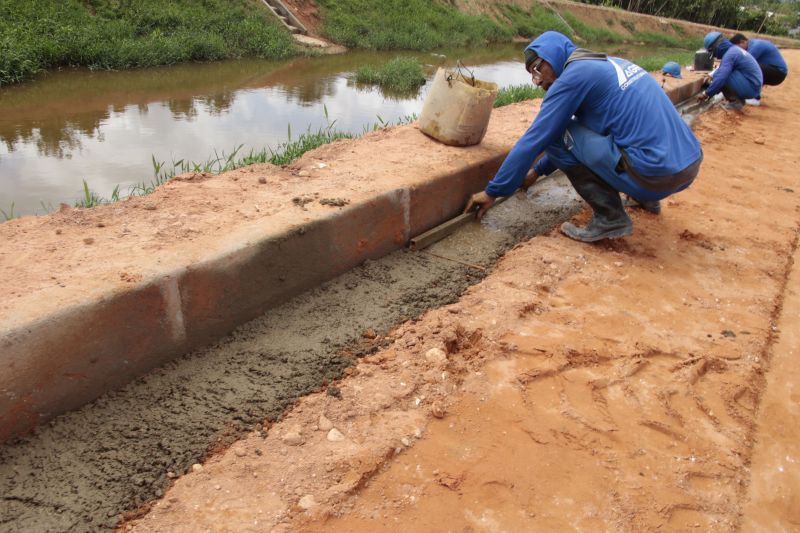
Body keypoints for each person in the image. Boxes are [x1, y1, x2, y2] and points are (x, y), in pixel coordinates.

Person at [464, 31, 703, 243]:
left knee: (554, 135)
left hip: (654, 175)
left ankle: (610, 217)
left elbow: (536, 138)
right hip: (686, 167)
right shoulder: (607, 64)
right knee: (606, 133)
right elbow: (583, 135)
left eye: (538, 68)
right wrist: (538, 171)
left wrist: (493, 191)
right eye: (531, 74)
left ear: (554, 55)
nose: (537, 81)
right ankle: (646, 199)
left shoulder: (572, 78)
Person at [698, 32, 762, 110]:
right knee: (720, 73)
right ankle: (738, 100)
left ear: (716, 47)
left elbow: (721, 76)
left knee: (721, 75)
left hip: (751, 88)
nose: (714, 55)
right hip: (753, 85)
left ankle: (735, 102)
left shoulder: (730, 54)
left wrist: (706, 94)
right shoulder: (734, 50)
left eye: (712, 51)